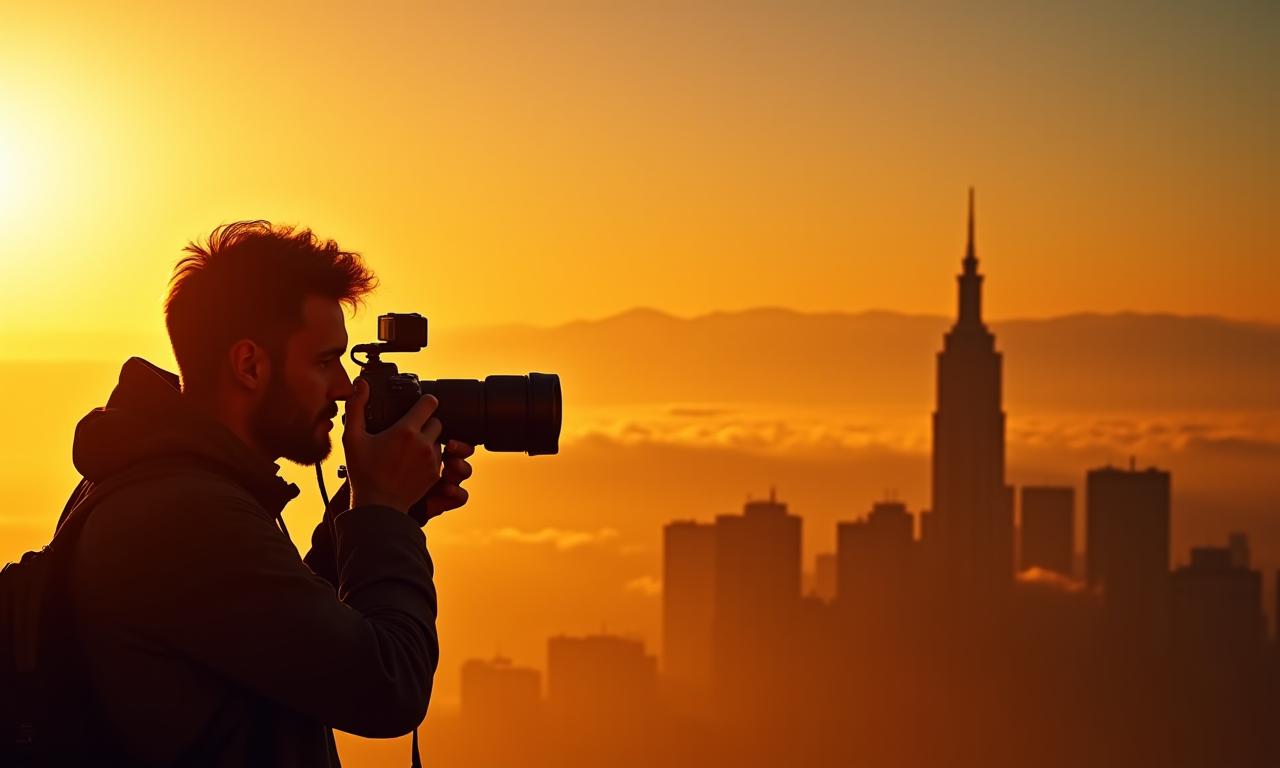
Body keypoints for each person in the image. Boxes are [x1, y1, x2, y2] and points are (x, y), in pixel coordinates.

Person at [57, 221, 471, 765]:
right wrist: (383, 513)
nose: (345, 388)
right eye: (325, 361)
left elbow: (280, 634)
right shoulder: (185, 518)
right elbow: (388, 688)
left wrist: (372, 511)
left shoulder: (154, 480)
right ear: (250, 365)